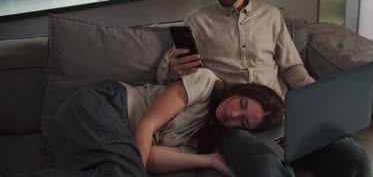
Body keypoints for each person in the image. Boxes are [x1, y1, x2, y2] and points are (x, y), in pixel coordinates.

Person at [156, 0, 373, 177]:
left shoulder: (271, 16)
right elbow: (164, 74)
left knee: (356, 159)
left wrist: (318, 105)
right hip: (235, 125)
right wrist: (171, 70)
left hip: (280, 114)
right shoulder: (197, 22)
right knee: (266, 169)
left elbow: (293, 70)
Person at [47, 68, 283, 177]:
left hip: (100, 139)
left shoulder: (204, 138)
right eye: (241, 104)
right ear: (242, 90)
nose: (232, 115)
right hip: (102, 105)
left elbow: (153, 159)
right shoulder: (206, 81)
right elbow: (148, 125)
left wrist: (209, 160)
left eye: (242, 122)